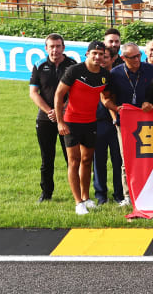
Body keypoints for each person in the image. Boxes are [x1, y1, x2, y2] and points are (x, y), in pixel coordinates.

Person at [54, 40, 116, 215]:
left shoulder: (105, 75)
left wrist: (118, 110)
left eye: (101, 54)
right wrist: (60, 122)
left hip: (91, 122)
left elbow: (106, 98)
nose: (97, 57)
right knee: (74, 161)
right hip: (71, 122)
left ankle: (86, 197)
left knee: (87, 160)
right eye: (94, 53)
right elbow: (59, 95)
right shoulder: (75, 71)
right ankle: (78, 202)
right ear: (87, 54)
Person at [106, 42, 153, 207]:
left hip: (148, 121)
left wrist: (149, 102)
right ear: (123, 58)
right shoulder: (115, 74)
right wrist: (116, 110)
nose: (137, 59)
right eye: (132, 57)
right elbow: (106, 98)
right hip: (125, 123)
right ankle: (128, 195)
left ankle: (150, 192)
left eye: (139, 55)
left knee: (150, 158)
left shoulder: (149, 69)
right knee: (126, 160)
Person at [28, 33, 75, 203]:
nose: (55, 50)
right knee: (46, 159)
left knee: (71, 158)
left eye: (58, 46)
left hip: (68, 117)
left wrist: (61, 109)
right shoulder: (39, 65)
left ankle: (77, 193)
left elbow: (76, 92)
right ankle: (46, 194)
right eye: (51, 46)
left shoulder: (72, 65)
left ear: (63, 47)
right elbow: (33, 93)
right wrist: (50, 111)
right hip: (45, 118)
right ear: (46, 48)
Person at [92, 46, 122, 205]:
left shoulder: (118, 76)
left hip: (116, 123)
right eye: (100, 56)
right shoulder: (91, 75)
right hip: (97, 123)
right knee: (98, 161)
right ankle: (100, 195)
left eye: (105, 57)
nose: (102, 59)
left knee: (118, 160)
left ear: (112, 59)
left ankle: (119, 194)